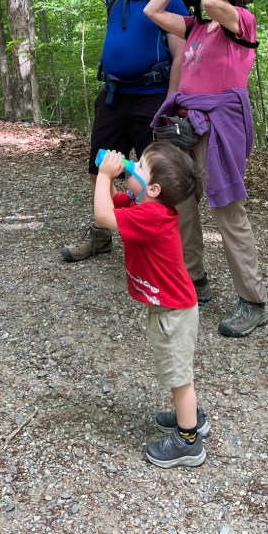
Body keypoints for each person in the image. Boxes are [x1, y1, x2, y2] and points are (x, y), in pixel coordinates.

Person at [55, 0, 190, 262]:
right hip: (113, 97)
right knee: (104, 166)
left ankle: (154, 244)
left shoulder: (172, 3)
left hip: (151, 101)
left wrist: (171, 104)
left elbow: (180, 55)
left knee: (153, 177)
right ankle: (101, 235)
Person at [143, 0, 268, 338]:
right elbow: (152, 10)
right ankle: (195, 279)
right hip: (186, 125)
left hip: (220, 128)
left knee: (228, 210)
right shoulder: (196, 27)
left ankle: (253, 301)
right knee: (181, 202)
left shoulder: (241, 22)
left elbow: (214, 3)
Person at [94, 142, 209, 468]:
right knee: (177, 371)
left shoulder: (152, 214)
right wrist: (115, 179)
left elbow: (103, 217)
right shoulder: (141, 202)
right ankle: (192, 419)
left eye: (139, 165)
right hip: (170, 307)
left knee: (179, 376)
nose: (131, 164)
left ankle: (189, 441)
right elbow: (111, 204)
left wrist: (104, 175)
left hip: (173, 313)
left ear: (153, 188)